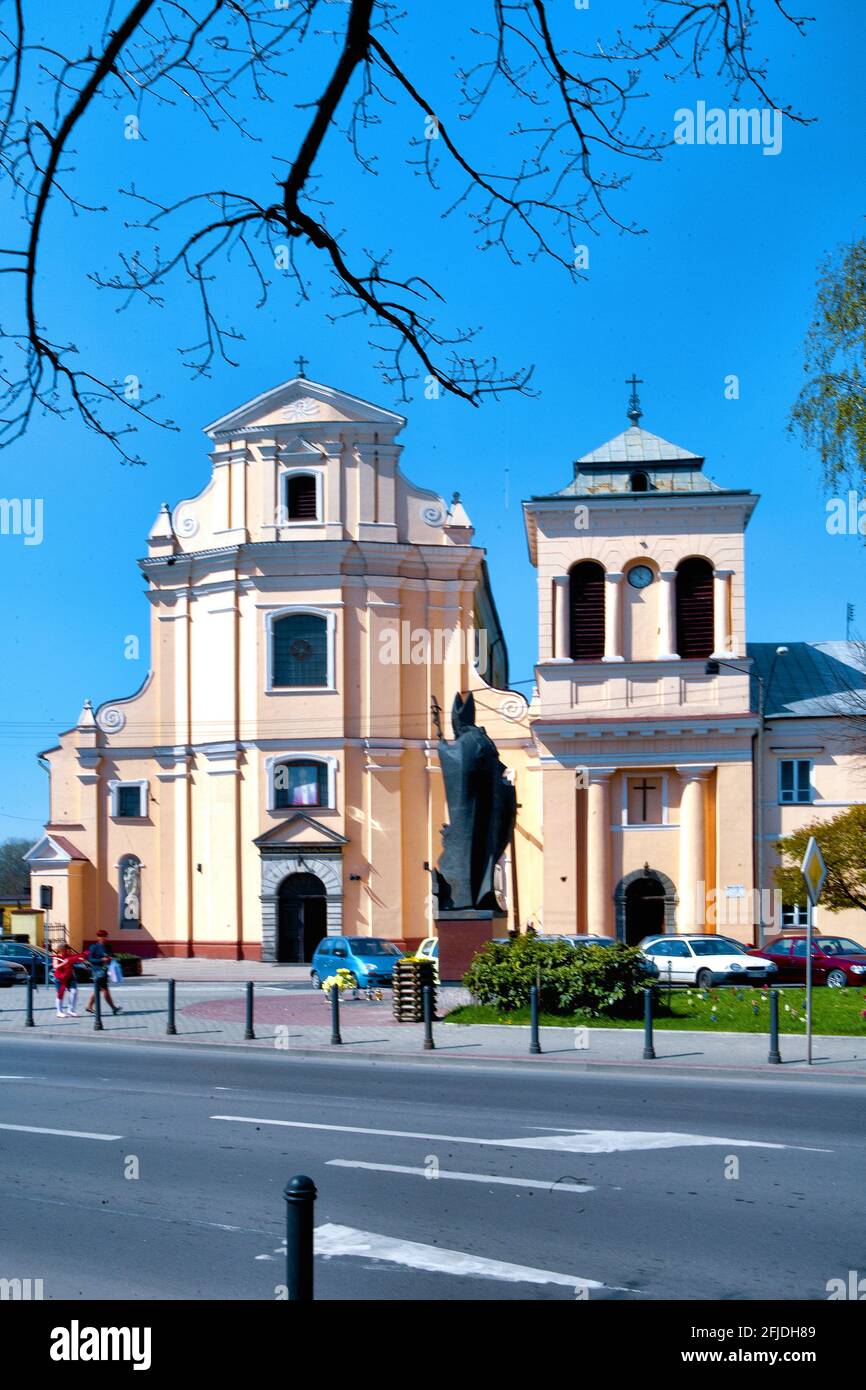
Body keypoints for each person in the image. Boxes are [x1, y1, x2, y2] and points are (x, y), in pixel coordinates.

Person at [85, 931, 122, 1015]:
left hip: (105, 970)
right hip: (97, 970)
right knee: (104, 989)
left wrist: (112, 958)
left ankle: (89, 1007)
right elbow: (90, 959)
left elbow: (112, 955)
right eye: (102, 937)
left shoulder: (108, 946)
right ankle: (113, 1008)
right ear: (98, 937)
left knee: (98, 989)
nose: (105, 938)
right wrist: (101, 960)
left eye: (106, 936)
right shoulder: (94, 947)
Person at [52, 943, 86, 1017]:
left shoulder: (69, 956)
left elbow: (76, 959)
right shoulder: (56, 957)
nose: (67, 951)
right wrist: (64, 963)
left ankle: (71, 1010)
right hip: (60, 978)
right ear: (61, 950)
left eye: (67, 949)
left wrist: (81, 959)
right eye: (65, 949)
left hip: (70, 977)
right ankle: (59, 1012)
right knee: (60, 994)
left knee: (74, 991)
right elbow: (55, 967)